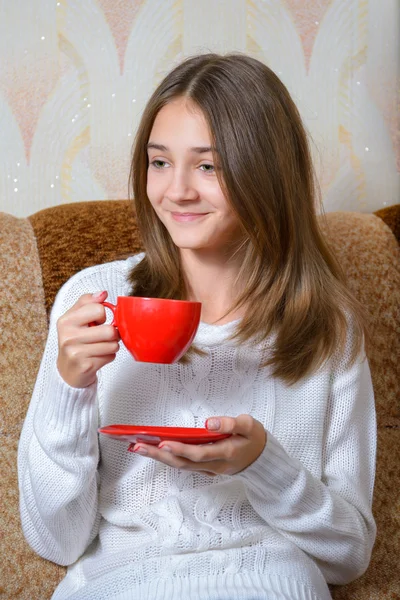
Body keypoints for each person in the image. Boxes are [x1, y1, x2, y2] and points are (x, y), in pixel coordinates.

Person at [18, 53, 376, 600]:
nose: (177, 191)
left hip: (269, 585)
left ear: (266, 173)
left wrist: (262, 464)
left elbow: (348, 556)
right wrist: (71, 390)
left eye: (207, 166)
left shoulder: (328, 326)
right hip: (120, 586)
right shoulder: (93, 300)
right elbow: (55, 542)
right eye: (159, 163)